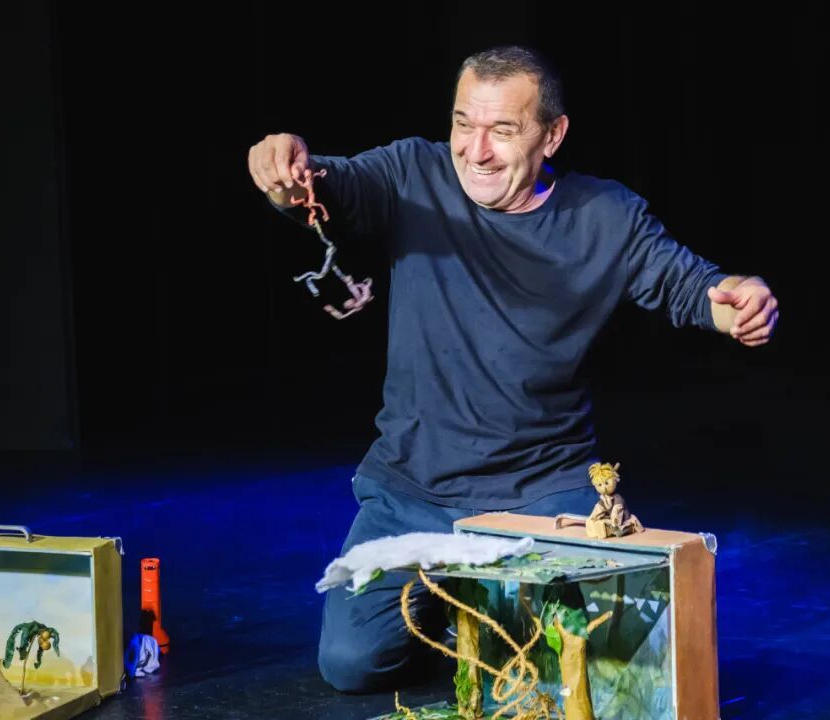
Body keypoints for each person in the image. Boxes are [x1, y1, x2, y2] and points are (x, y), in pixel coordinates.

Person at [247, 45, 778, 693]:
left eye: (502, 129)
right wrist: (285, 171)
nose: (476, 151)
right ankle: (460, 610)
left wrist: (738, 302)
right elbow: (332, 185)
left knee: (587, 666)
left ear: (552, 135)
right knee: (352, 662)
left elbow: (691, 287)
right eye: (463, 123)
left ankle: (485, 609)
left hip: (543, 490)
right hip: (413, 488)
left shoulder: (604, 215)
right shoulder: (413, 174)